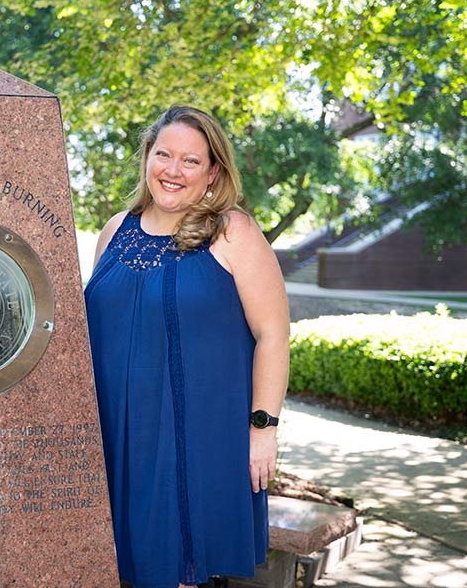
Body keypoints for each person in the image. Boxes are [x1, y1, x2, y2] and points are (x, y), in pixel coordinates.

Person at [84, 105, 290, 588]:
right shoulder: (114, 231)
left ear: (213, 171)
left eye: (190, 161)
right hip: (115, 436)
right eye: (164, 155)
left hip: (193, 436)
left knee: (177, 570)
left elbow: (274, 334)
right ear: (147, 159)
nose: (172, 171)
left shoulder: (233, 231)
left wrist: (263, 430)